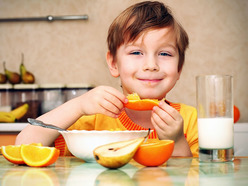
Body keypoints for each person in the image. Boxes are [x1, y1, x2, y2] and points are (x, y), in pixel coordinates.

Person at [16, 1, 198, 157]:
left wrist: (176, 140)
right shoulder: (94, 119)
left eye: (165, 53)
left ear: (179, 68)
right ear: (113, 63)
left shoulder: (190, 120)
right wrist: (78, 106)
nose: (151, 65)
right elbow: (24, 145)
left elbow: (198, 176)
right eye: (136, 52)